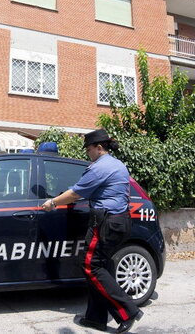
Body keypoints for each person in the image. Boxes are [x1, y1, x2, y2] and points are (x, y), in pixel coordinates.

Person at [41, 129, 143, 333]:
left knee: (90, 265)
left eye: (88, 149)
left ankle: (127, 310)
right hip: (119, 221)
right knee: (100, 266)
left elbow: (76, 193)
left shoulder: (100, 167)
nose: (87, 153)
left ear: (98, 148)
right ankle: (96, 318)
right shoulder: (116, 164)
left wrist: (52, 202)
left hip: (106, 223)